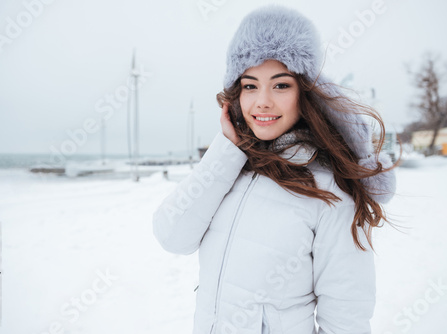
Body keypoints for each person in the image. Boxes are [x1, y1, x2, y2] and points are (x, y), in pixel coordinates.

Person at [153, 4, 397, 334]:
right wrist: (226, 151)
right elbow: (173, 236)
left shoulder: (330, 191)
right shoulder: (231, 170)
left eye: (280, 85)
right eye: (250, 86)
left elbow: (346, 318)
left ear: (304, 92)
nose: (262, 101)